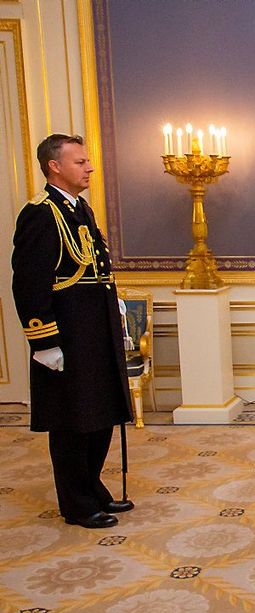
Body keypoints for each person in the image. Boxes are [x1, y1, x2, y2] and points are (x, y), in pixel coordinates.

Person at [11, 134, 134, 529]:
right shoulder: (41, 213)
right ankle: (77, 505)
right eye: (80, 162)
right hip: (67, 337)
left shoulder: (80, 209)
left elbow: (91, 269)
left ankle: (93, 489)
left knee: (98, 415)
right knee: (71, 423)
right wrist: (44, 342)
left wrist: (111, 304)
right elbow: (29, 283)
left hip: (94, 333)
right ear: (55, 166)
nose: (89, 168)